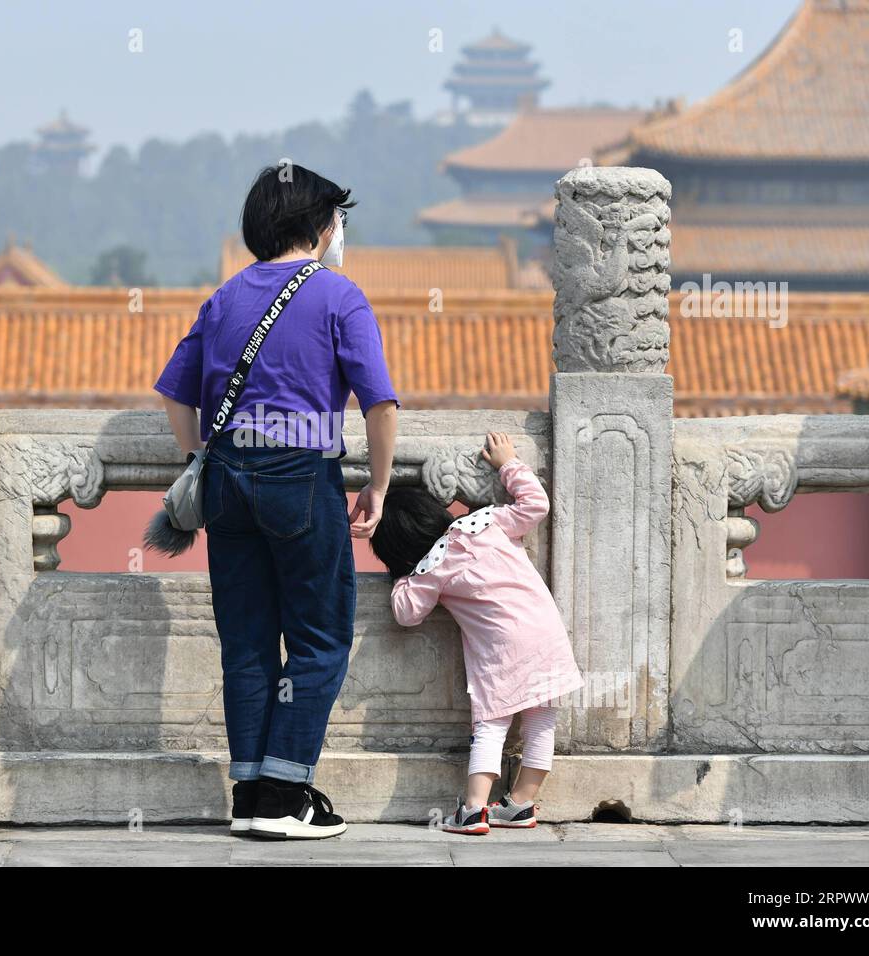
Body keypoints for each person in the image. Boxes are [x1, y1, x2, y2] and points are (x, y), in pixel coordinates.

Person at [154, 163, 399, 839]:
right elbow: (379, 403)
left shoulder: (225, 296)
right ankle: (286, 795)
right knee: (319, 640)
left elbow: (176, 395)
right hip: (301, 476)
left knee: (248, 642)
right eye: (338, 220)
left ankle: (249, 793)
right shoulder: (338, 297)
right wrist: (376, 485)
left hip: (228, 477)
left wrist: (197, 460)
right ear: (321, 227)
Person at [370, 432, 583, 834]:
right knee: (541, 722)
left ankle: (473, 810)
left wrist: (403, 575)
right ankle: (520, 804)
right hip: (547, 632)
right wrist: (508, 464)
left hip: (502, 652)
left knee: (491, 723)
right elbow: (535, 504)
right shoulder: (483, 521)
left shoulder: (433, 566)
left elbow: (406, 613)